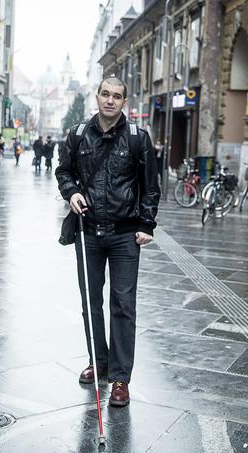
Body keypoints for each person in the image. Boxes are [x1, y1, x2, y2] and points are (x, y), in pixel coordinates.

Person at [55, 77, 160, 407]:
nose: (110, 101)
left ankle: (119, 378)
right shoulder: (77, 134)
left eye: (117, 96)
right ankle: (98, 361)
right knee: (90, 302)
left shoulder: (138, 139)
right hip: (88, 231)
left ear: (124, 102)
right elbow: (63, 172)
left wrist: (147, 224)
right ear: (97, 97)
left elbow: (150, 187)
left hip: (125, 234)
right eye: (105, 94)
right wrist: (71, 193)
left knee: (123, 305)